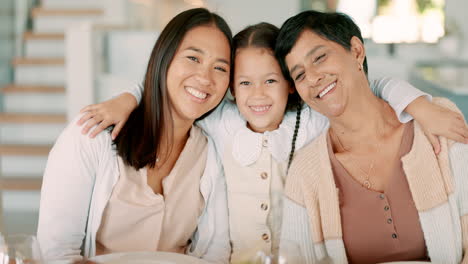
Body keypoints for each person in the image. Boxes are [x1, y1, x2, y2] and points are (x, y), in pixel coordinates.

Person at [75, 20, 468, 263]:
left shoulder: (312, 118)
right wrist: (128, 97)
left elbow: (369, 86)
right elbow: (176, 89)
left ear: (291, 87)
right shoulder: (223, 122)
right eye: (244, 83)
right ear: (231, 90)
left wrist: (417, 104)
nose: (257, 95)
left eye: (271, 81)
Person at [37, 8, 232, 264]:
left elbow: (216, 253)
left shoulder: (211, 153)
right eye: (193, 58)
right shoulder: (92, 135)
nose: (205, 78)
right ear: (164, 58)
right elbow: (56, 253)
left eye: (220, 67)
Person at [275, 10, 468, 264]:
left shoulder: (435, 123)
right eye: (299, 74)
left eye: (319, 58)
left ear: (356, 51)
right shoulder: (305, 174)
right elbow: (294, 259)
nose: (312, 78)